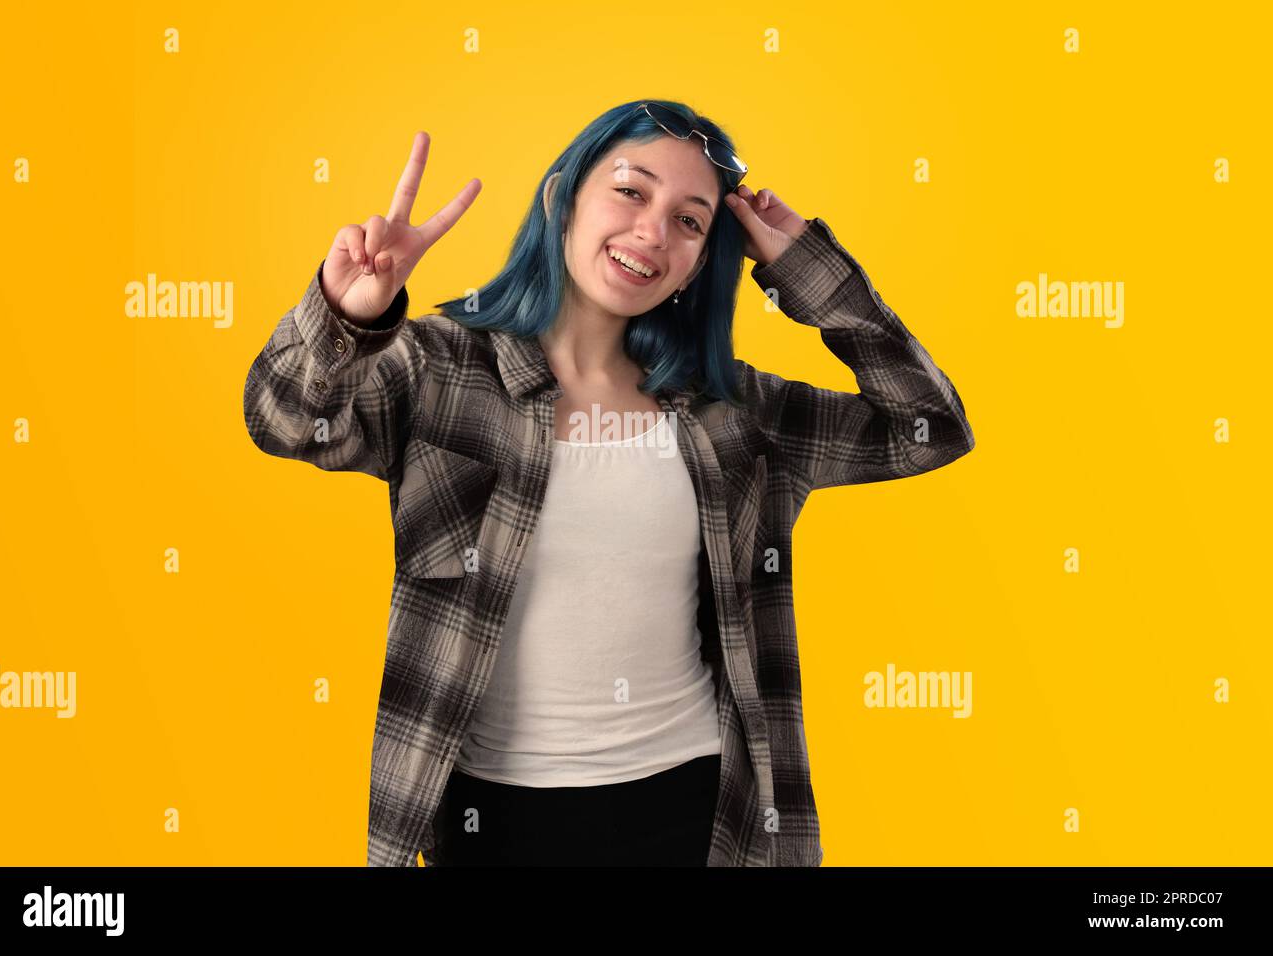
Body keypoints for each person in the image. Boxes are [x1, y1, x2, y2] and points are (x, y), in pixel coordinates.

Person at [243, 100, 975, 867]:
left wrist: (805, 269)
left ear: (704, 259)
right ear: (562, 197)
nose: (653, 232)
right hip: (491, 819)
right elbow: (283, 422)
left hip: (695, 811)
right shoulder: (441, 371)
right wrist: (341, 316)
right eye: (631, 191)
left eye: (691, 221)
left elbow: (929, 426)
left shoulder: (731, 412)